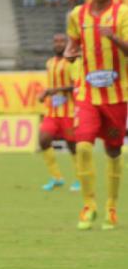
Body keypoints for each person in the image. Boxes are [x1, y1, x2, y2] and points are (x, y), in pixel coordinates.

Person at [63, 0, 128, 230]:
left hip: (116, 95)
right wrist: (69, 53)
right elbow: (72, 46)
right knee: (83, 146)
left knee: (113, 150)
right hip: (87, 93)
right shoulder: (77, 15)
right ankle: (89, 205)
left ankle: (111, 207)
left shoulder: (123, 13)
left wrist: (113, 37)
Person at [38, 33, 79, 192]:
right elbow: (51, 85)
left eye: (62, 41)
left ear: (67, 44)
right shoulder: (49, 63)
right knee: (43, 141)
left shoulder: (73, 62)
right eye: (56, 41)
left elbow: (77, 85)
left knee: (72, 145)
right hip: (52, 112)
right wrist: (45, 94)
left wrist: (55, 90)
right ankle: (56, 177)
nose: (59, 44)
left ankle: (80, 178)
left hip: (69, 112)